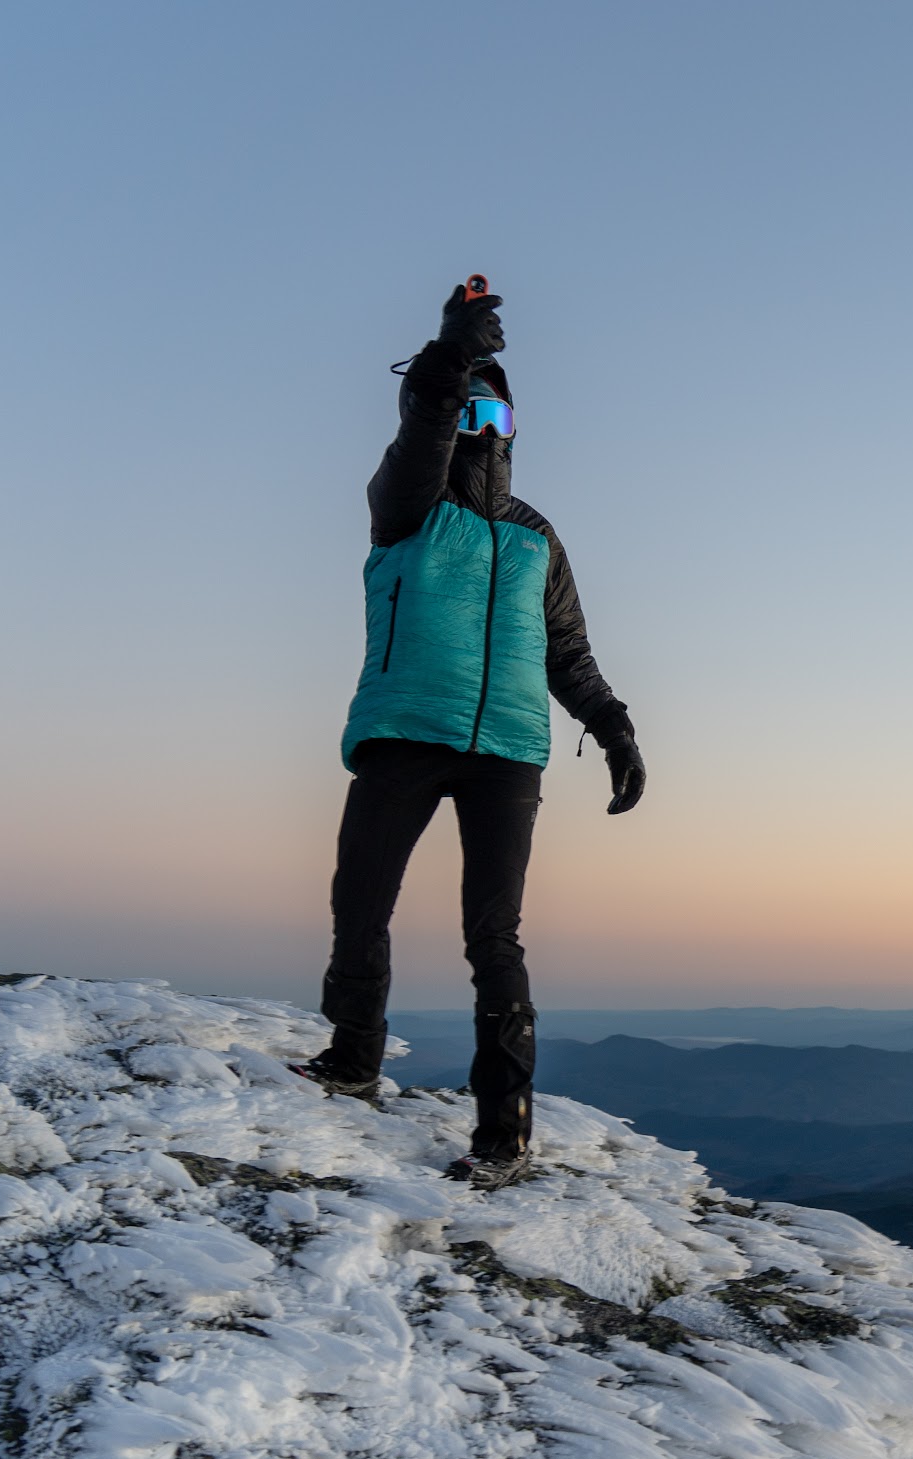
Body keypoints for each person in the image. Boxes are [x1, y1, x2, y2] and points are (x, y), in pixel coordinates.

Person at [291, 280, 645, 1190]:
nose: (482, 425)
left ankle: (505, 1131)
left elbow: (567, 648)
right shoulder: (405, 506)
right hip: (405, 730)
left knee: (496, 937)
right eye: (469, 408)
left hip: (510, 751)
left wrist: (613, 726)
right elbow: (422, 438)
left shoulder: (536, 537)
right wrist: (450, 353)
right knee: (361, 901)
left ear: (518, 427)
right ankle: (354, 1057)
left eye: (499, 411)